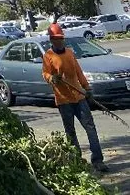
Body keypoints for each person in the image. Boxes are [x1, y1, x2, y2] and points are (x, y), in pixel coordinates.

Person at [42, 23, 108, 173]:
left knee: (90, 128)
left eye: (60, 38)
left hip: (79, 97)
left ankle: (98, 160)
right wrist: (52, 78)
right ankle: (77, 161)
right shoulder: (48, 56)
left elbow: (79, 73)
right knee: (70, 132)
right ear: (51, 40)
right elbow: (45, 74)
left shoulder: (70, 53)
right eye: (55, 39)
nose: (58, 41)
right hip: (63, 100)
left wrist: (87, 88)